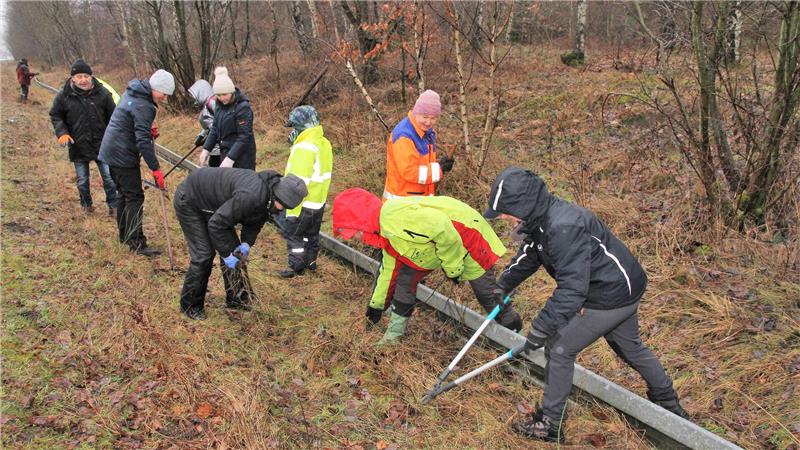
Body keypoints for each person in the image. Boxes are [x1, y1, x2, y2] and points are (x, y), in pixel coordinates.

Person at [483, 167, 689, 443]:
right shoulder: (542, 220)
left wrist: (541, 328)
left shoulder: (562, 227)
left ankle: (550, 424)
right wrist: (504, 284)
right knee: (630, 347)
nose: (504, 218)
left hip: (611, 293)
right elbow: (532, 253)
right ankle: (669, 405)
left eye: (506, 212)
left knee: (559, 349)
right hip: (619, 284)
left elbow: (572, 289)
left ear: (524, 205)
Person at [332, 188, 523, 345]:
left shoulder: (395, 218)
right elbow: (388, 274)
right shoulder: (385, 235)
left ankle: (513, 335)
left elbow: (443, 229)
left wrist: (453, 268)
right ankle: (393, 336)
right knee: (404, 279)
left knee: (486, 292)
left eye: (352, 232)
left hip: (465, 235)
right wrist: (376, 306)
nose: (355, 238)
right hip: (431, 248)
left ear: (360, 221)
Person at [173, 169, 308, 320]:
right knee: (204, 254)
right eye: (282, 206)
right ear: (278, 196)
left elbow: (255, 222)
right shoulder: (251, 196)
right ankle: (190, 306)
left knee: (236, 253)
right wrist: (226, 255)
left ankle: (238, 299)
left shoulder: (267, 196)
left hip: (215, 206)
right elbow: (216, 225)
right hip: (191, 200)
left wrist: (246, 244)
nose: (281, 210)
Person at [98, 69, 175, 257]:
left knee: (124, 194)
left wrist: (147, 130)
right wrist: (155, 168)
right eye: (164, 93)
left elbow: (133, 125)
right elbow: (142, 142)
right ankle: (137, 243)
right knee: (134, 197)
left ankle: (125, 236)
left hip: (111, 150)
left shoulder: (134, 92)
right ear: (155, 87)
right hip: (122, 154)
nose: (165, 98)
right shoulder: (144, 105)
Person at [49, 59, 118, 216]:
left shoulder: (103, 94)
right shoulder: (63, 95)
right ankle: (86, 206)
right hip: (78, 145)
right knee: (82, 180)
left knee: (109, 178)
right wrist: (62, 133)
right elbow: (56, 115)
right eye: (79, 76)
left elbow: (114, 117)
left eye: (86, 76)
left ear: (91, 77)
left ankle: (114, 206)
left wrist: (115, 138)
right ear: (72, 78)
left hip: (103, 144)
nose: (83, 80)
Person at [276, 105, 333, 278]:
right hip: (318, 201)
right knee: (311, 235)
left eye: (294, 126)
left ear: (300, 126)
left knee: (294, 234)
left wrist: (290, 208)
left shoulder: (304, 147)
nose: (292, 131)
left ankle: (296, 266)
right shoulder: (323, 143)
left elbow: (297, 182)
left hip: (302, 203)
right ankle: (311, 262)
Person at [383, 89, 454, 201]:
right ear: (416, 112)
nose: (428, 122)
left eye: (433, 118)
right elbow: (409, 171)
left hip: (417, 199)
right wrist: (439, 169)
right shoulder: (404, 136)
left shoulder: (425, 132)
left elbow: (421, 163)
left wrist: (441, 164)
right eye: (425, 117)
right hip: (403, 202)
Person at [200, 67, 256, 169]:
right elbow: (215, 129)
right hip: (225, 153)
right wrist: (206, 149)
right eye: (218, 95)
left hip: (242, 157)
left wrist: (231, 158)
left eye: (225, 94)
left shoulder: (242, 107)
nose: (222, 98)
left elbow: (244, 136)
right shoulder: (219, 106)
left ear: (231, 92)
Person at [187, 79, 222, 167]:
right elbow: (209, 124)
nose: (195, 99)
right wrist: (201, 136)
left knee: (217, 171)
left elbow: (217, 125)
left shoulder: (212, 103)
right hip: (214, 148)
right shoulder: (207, 104)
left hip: (219, 148)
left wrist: (207, 138)